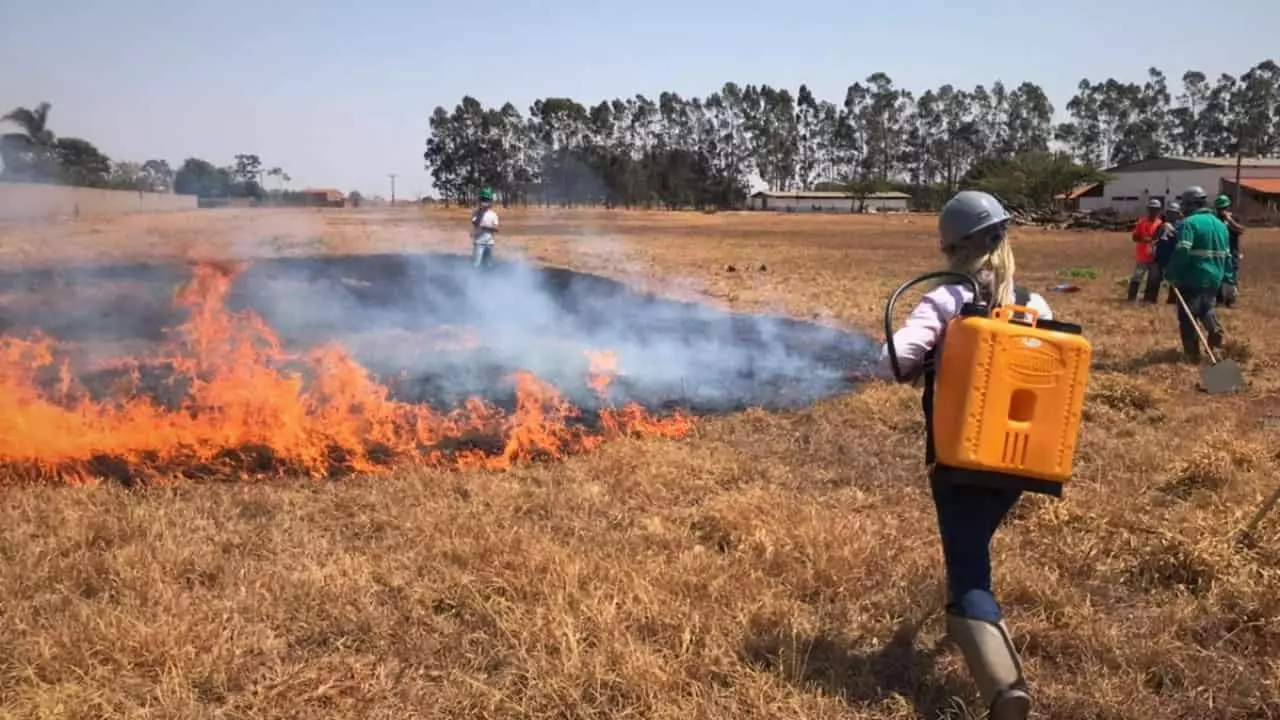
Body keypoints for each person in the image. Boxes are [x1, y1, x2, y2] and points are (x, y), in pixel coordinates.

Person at [874, 190, 1049, 720]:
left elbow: (896, 359)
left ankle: (1005, 690)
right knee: (973, 544)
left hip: (961, 460)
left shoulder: (947, 299)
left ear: (953, 250)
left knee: (971, 569)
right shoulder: (1034, 304)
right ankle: (963, 617)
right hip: (1018, 461)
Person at [1165, 186, 1231, 362]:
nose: (1183, 209)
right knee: (1205, 308)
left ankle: (1192, 356)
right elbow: (1227, 255)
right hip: (1214, 277)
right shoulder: (1220, 224)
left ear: (1193, 204)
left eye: (1185, 205)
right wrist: (1229, 279)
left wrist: (1171, 273)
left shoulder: (1190, 223)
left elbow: (1182, 251)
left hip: (1192, 277)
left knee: (1188, 317)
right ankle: (1213, 327)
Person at [1127, 198, 1164, 303]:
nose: (1153, 211)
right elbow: (1134, 237)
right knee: (1137, 278)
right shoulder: (1141, 222)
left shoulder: (1161, 224)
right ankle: (1131, 298)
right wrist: (1144, 239)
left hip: (1155, 257)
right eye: (1151, 209)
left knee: (1153, 280)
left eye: (1156, 209)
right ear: (1148, 209)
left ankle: (1149, 300)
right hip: (1142, 256)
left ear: (1159, 210)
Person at [1213, 194, 1245, 308]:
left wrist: (1229, 220)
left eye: (1224, 208)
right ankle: (1219, 299)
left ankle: (1230, 301)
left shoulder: (1234, 218)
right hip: (1219, 253)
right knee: (1218, 276)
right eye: (1220, 209)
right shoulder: (1214, 220)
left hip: (1232, 252)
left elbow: (1240, 230)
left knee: (1231, 277)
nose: (1222, 211)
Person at [1153, 201, 1183, 305]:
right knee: (1155, 277)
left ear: (1178, 214)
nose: (1171, 215)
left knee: (1173, 281)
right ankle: (1151, 299)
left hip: (1173, 256)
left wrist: (1173, 230)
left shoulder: (1181, 225)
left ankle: (1172, 301)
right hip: (1160, 255)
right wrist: (1160, 230)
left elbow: (1182, 239)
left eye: (1174, 213)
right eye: (1169, 212)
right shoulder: (1162, 224)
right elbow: (1155, 238)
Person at [470, 187, 500, 269]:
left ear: (490, 201)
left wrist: (486, 226)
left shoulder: (493, 214)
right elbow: (475, 223)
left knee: (488, 265)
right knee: (476, 264)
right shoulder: (476, 213)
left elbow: (496, 229)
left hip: (489, 243)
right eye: (483, 200)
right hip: (479, 243)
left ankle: (487, 280)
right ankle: (474, 280)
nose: (485, 202)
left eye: (487, 200)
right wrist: (481, 212)